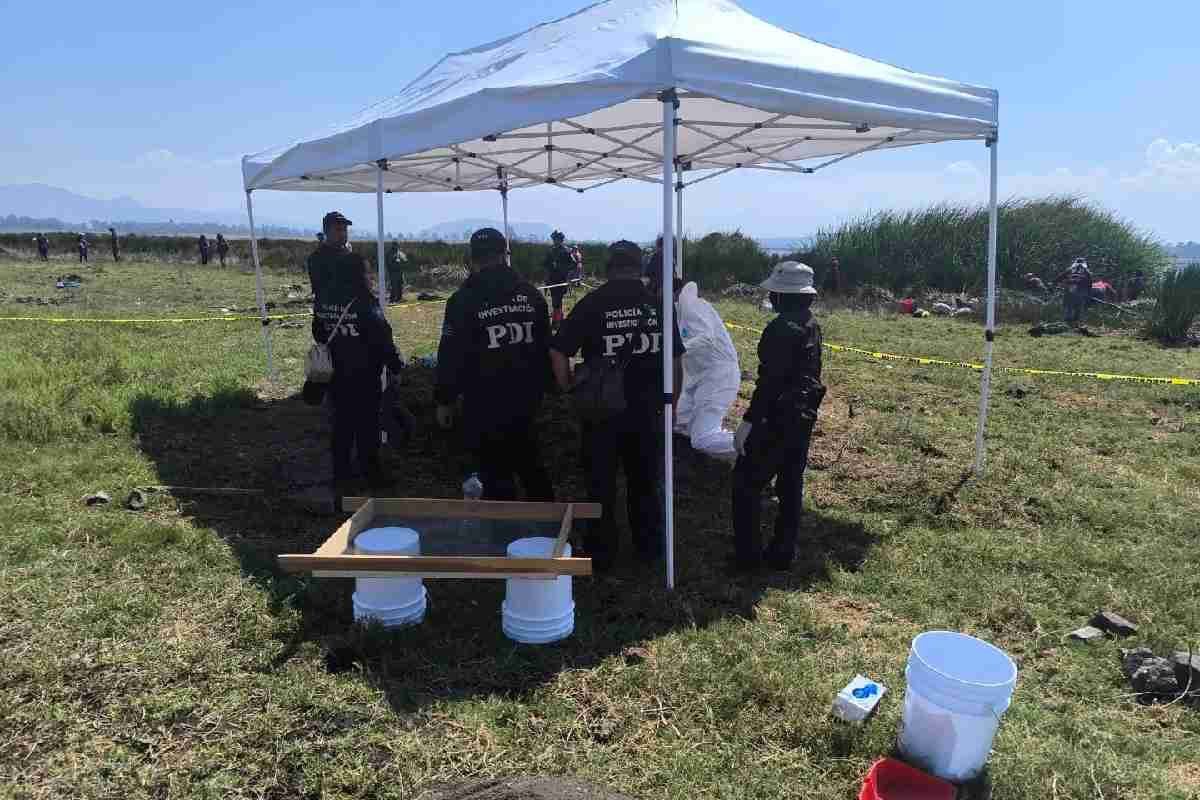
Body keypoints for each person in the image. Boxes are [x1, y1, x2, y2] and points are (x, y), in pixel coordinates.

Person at [549, 240, 685, 572]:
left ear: (609, 267)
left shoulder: (593, 303)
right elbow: (677, 361)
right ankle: (650, 549)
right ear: (640, 268)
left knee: (601, 484)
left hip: (602, 412)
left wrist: (569, 386)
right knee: (646, 482)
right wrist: (673, 404)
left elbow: (557, 351)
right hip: (648, 410)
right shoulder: (657, 305)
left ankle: (603, 552)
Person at [435, 228, 554, 502]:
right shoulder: (532, 295)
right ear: (504, 255)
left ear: (472, 259)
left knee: (495, 471)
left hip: (484, 400)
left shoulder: (463, 301)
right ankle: (550, 530)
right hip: (527, 397)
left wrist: (444, 399)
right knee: (531, 463)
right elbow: (545, 345)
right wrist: (548, 386)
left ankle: (506, 533)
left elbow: (451, 354)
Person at [730, 262, 825, 573]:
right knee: (789, 485)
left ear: (782, 295)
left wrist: (749, 421)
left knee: (746, 484)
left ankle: (747, 556)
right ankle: (783, 552)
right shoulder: (811, 323)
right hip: (803, 414)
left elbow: (770, 382)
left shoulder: (780, 329)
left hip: (777, 416)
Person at [307, 211, 404, 493]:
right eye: (338, 229)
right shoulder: (362, 303)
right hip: (362, 370)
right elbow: (381, 334)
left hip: (336, 365)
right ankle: (370, 474)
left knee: (340, 421)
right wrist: (395, 365)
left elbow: (319, 331)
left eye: (344, 228)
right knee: (366, 423)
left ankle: (341, 475)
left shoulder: (324, 299)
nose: (343, 233)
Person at [674, 280, 740, 461]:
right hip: (698, 377)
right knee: (677, 422)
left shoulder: (692, 307)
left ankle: (759, 446)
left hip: (718, 377)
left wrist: (675, 350)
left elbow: (706, 339)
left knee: (703, 439)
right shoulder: (680, 310)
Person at [543, 230, 576, 330]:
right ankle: (558, 320)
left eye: (557, 239)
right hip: (552, 279)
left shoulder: (566, 251)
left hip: (561, 279)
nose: (555, 241)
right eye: (554, 239)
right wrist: (548, 270)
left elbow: (573, 264)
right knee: (555, 301)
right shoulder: (551, 251)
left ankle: (558, 321)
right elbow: (545, 264)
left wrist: (563, 269)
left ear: (561, 240)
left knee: (557, 301)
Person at [1054, 257, 1092, 325]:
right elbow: (1090, 282)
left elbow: (1060, 277)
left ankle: (1067, 322)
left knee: (1068, 306)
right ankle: (1075, 322)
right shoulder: (1086, 270)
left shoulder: (1070, 269)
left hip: (1069, 289)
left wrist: (1055, 282)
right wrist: (1088, 291)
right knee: (1078, 306)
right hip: (1080, 290)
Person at [387, 238, 406, 302]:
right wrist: (396, 260)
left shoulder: (399, 252)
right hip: (393, 273)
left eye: (397, 245)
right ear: (393, 245)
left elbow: (404, 260)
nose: (396, 246)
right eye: (395, 244)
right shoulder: (390, 253)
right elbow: (389, 263)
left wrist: (403, 259)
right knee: (394, 287)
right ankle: (392, 300)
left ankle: (399, 298)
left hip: (400, 272)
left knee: (400, 285)